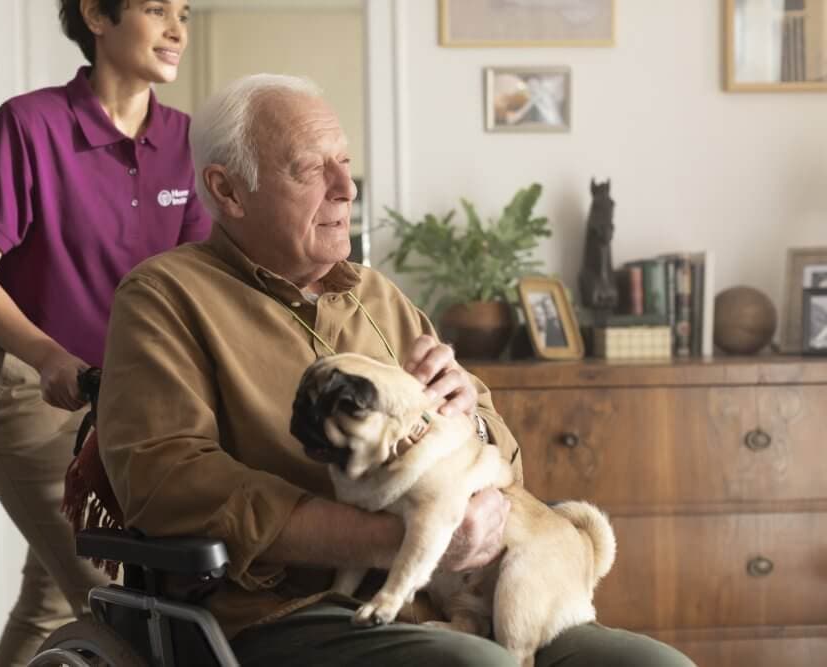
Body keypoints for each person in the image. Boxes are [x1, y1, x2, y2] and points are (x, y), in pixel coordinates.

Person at [97, 74, 694, 666]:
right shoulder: (164, 297)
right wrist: (399, 541)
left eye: (345, 163)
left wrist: (469, 417)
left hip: (453, 601)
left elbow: (503, 458)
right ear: (228, 191)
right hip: (285, 612)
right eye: (310, 168)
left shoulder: (376, 295)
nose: (345, 187)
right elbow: (167, 481)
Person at [0, 1, 208, 664]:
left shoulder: (188, 141)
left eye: (185, 12)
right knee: (115, 599)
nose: (178, 29)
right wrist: (47, 355)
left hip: (129, 406)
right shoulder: (29, 125)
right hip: (33, 393)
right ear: (96, 13)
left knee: (50, 602)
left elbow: (201, 287)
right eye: (156, 9)